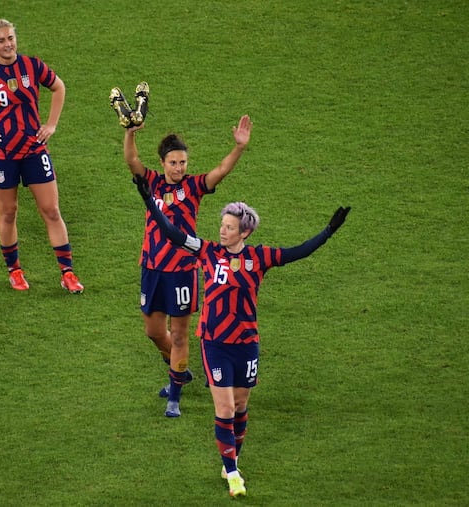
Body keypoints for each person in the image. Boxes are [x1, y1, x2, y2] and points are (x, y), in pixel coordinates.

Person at [133, 174, 350, 497]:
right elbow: (173, 234)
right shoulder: (206, 251)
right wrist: (149, 200)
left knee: (239, 405)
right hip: (215, 342)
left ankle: (231, 457)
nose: (222, 230)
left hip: (247, 344)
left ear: (245, 232)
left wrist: (329, 231)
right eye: (222, 224)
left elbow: (299, 251)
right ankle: (233, 473)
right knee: (223, 407)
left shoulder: (259, 258)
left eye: (229, 227)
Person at [121, 111, 253, 417]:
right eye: (173, 163)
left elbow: (220, 170)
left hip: (182, 271)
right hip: (152, 268)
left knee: (179, 335)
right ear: (163, 163)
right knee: (154, 332)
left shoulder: (193, 187)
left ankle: (175, 396)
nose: (179, 168)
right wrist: (130, 132)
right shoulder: (151, 182)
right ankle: (179, 371)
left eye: (183, 162)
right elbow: (131, 161)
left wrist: (239, 147)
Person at [0, 18, 84, 293]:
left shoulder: (32, 66)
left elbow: (58, 87)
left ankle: (67, 273)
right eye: (1, 40)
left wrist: (52, 124)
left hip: (34, 149)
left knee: (51, 210)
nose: (7, 44)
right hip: (2, 154)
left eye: (10, 38)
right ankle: (15, 271)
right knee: (8, 212)